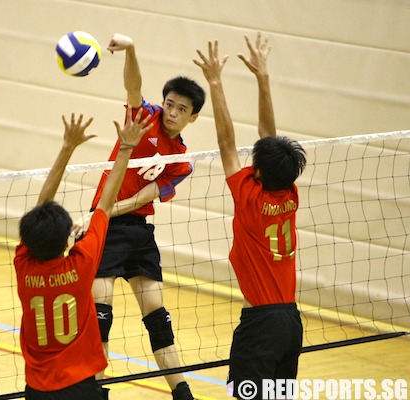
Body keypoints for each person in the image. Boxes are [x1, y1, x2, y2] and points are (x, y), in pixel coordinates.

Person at [73, 33, 206, 400]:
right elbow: (133, 86)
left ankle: (183, 395)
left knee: (159, 322)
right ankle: (95, 393)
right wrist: (131, 49)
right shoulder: (144, 118)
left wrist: (100, 213)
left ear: (193, 118)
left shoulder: (181, 161)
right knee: (100, 318)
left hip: (137, 233)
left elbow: (144, 197)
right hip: (106, 229)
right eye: (170, 104)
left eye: (182, 109)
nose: (173, 112)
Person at [194, 32, 307, 399]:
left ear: (257, 172)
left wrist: (215, 82)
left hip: (261, 325)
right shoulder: (289, 193)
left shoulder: (250, 199)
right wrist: (263, 78)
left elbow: (227, 143)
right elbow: (268, 138)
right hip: (292, 320)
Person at [14, 108, 152, 400]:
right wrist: (126, 148)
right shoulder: (82, 263)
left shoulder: (23, 266)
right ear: (68, 240)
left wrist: (66, 148)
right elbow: (106, 202)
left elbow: (42, 205)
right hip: (81, 387)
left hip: (38, 389)